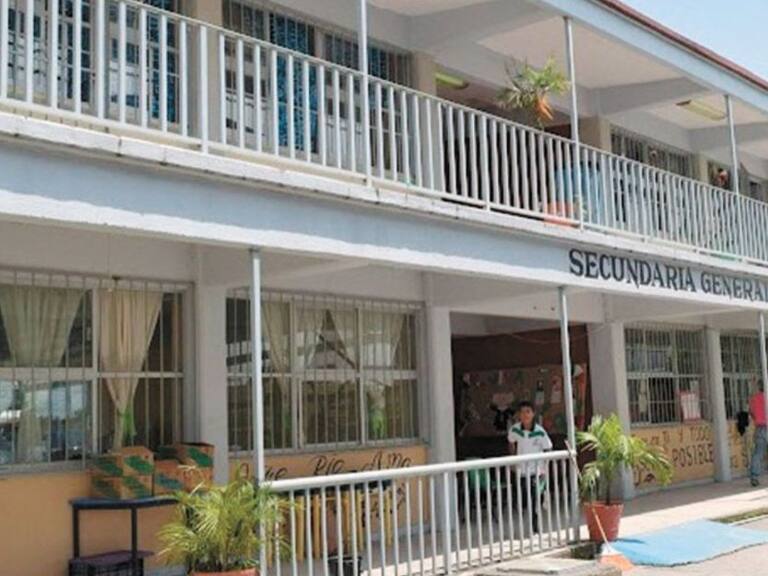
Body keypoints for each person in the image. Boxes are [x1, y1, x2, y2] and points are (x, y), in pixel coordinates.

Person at [508, 400, 553, 531]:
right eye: (522, 412)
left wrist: (545, 468)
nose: (525, 415)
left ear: (533, 414)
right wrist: (513, 459)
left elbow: (548, 447)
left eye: (528, 412)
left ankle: (535, 525)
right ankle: (524, 523)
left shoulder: (540, 431)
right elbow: (511, 441)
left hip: (536, 471)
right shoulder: (515, 429)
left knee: (534, 498)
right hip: (521, 470)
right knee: (522, 498)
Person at [749, 383, 767, 487]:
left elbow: (751, 412)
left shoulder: (754, 398)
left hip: (760, 427)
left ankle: (754, 477)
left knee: (758, 453)